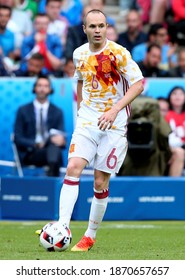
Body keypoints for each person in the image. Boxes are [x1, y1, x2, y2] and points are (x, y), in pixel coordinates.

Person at [56, 9, 144, 252]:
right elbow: (82, 80)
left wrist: (115, 110)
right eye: (92, 26)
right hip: (88, 120)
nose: (97, 30)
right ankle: (62, 227)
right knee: (73, 167)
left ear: (107, 27)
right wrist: (82, 110)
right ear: (84, 29)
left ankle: (90, 235)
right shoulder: (79, 54)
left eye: (101, 26)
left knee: (99, 181)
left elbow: (139, 84)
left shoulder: (118, 53)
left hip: (114, 123)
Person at [14, 74, 66, 177]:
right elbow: (17, 138)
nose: (42, 89)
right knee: (55, 154)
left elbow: (60, 135)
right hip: (30, 152)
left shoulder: (57, 111)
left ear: (50, 89)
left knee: (54, 148)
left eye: (46, 86)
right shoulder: (23, 110)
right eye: (39, 85)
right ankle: (52, 186)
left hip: (50, 149)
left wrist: (61, 141)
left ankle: (51, 178)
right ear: (34, 88)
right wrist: (36, 144)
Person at [158, 97, 185, 176]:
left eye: (164, 110)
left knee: (179, 153)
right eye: (157, 109)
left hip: (166, 151)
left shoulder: (168, 125)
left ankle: (173, 187)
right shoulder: (144, 122)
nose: (160, 113)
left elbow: (173, 141)